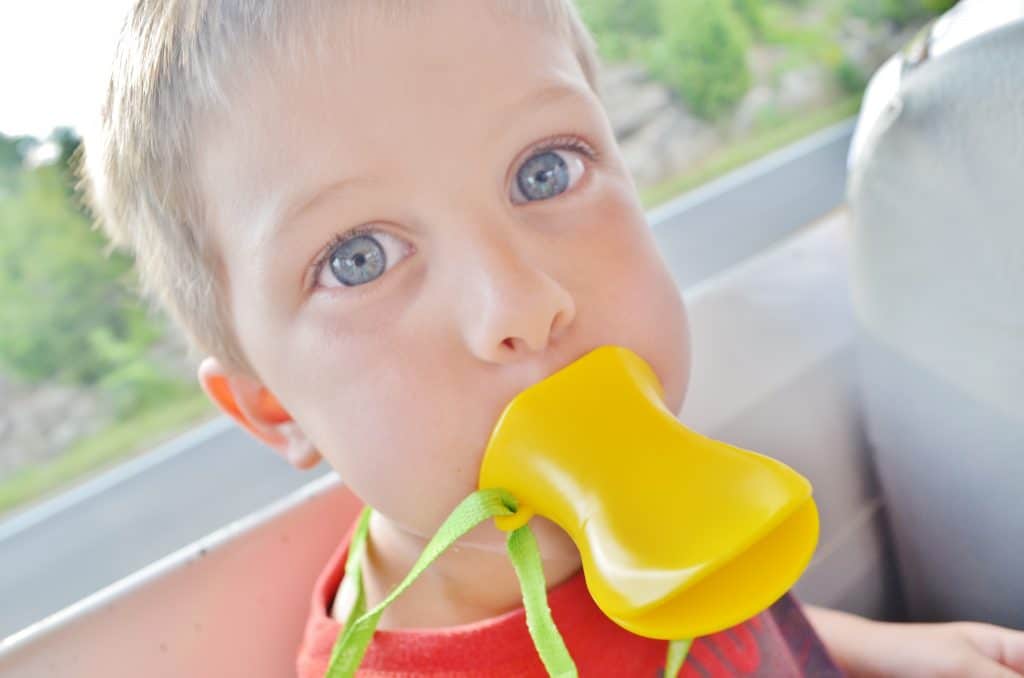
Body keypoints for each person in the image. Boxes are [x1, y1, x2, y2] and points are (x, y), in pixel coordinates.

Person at [79, 1, 1024, 676]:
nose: (520, 305)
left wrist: (887, 650)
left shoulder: (659, 490)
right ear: (276, 407)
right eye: (360, 258)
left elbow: (730, 627)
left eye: (543, 171)